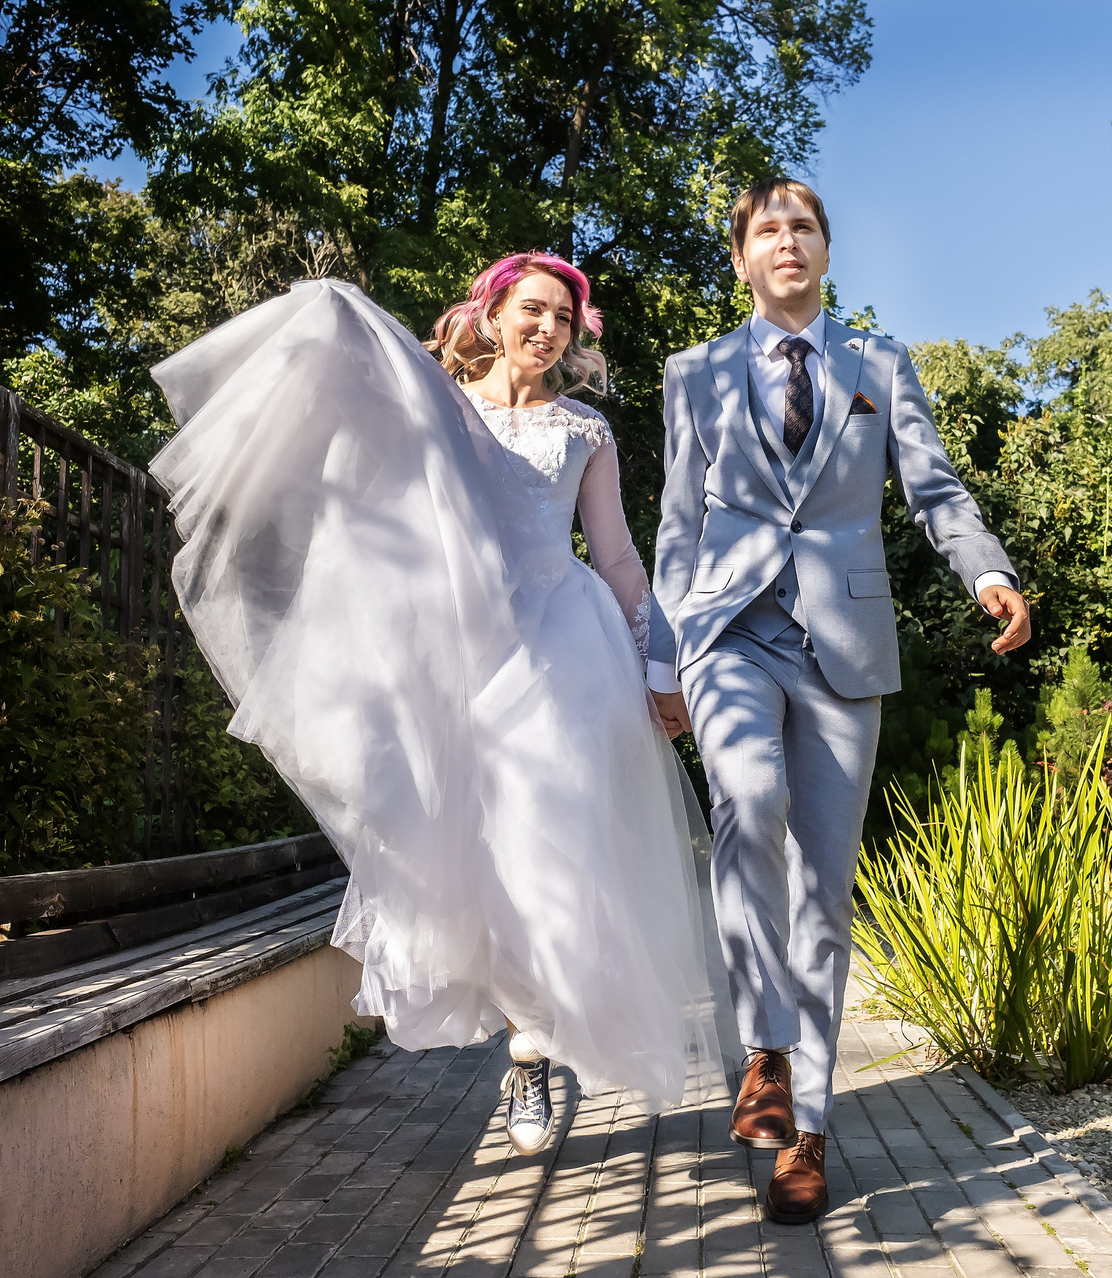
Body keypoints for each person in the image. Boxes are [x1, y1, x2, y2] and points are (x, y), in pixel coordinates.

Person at [148, 255, 719, 1161]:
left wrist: (659, 660)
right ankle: (522, 1040)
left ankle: (531, 1045)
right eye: (532, 309)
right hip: (456, 649)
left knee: (549, 840)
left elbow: (614, 556)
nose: (547, 328)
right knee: (466, 851)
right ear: (492, 315)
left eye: (563, 318)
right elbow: (366, 479)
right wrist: (338, 316)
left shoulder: (586, 431)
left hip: (563, 650)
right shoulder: (444, 408)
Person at [646, 178, 1031, 1224]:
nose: (788, 242)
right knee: (747, 802)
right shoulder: (695, 372)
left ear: (825, 251)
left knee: (823, 890)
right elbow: (678, 521)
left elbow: (935, 489)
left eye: (804, 227)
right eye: (768, 230)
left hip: (843, 650)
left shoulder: (880, 365)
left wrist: (986, 571)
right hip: (728, 631)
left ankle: (807, 1131)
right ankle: (764, 1051)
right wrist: (660, 659)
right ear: (741, 258)